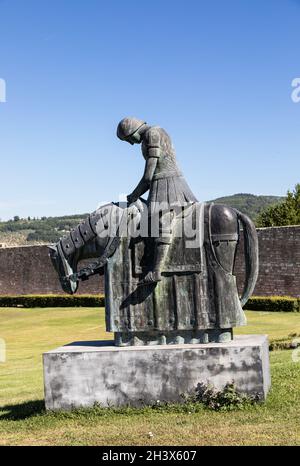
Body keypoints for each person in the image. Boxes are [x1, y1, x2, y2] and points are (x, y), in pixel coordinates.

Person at [117, 117, 198, 284]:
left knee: (161, 223)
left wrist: (133, 195)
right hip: (161, 182)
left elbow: (148, 176)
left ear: (132, 131)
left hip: (167, 183)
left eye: (129, 140)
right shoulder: (155, 132)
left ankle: (156, 271)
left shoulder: (152, 134)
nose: (131, 144)